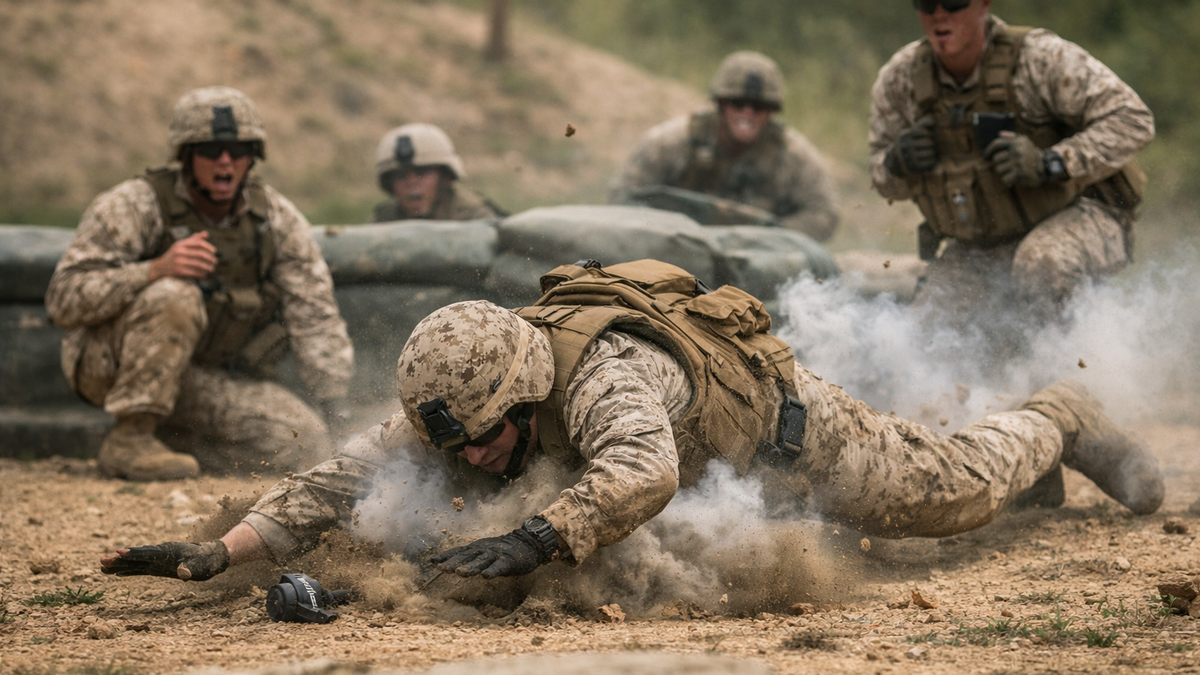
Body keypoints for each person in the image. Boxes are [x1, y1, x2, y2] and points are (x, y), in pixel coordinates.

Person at [100, 259, 1163, 583]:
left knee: (960, 493)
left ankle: (1061, 413)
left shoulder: (608, 376)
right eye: (455, 446)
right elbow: (340, 476)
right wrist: (218, 550)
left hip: (801, 442)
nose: (468, 461)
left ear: (525, 397)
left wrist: (531, 537)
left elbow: (642, 474)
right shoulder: (470, 399)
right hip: (713, 476)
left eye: (481, 441)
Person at [45, 87, 354, 482]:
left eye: (238, 150)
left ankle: (176, 449)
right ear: (186, 156)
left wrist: (335, 405)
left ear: (252, 157)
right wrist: (154, 269)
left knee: (302, 443)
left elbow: (314, 313)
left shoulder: (276, 219)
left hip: (200, 376)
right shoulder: (134, 205)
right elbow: (63, 299)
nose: (224, 161)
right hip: (108, 365)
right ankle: (130, 439)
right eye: (210, 150)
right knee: (176, 294)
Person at [869, 0, 1154, 333]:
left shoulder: (1039, 58)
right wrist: (896, 162)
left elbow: (1133, 120)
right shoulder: (901, 78)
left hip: (1083, 217)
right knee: (926, 337)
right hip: (984, 243)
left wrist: (1052, 162)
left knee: (1043, 264)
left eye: (954, 2)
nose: (939, 14)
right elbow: (880, 178)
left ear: (983, 5)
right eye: (927, 4)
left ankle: (1074, 367)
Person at [608, 51, 840, 242]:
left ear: (770, 112)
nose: (747, 112)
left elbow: (824, 214)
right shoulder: (672, 143)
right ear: (720, 104)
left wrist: (769, 239)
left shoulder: (792, 157)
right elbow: (623, 194)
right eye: (737, 103)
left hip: (755, 257)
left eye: (758, 106)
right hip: (676, 246)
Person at [371, 123, 505, 223]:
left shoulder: (473, 217)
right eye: (400, 176)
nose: (411, 182)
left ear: (445, 177)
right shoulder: (385, 217)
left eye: (421, 173)